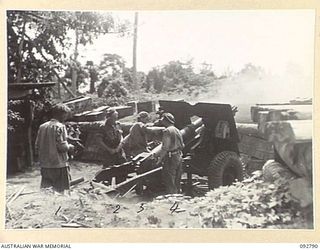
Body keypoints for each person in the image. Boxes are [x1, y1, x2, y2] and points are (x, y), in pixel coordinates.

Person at [35, 103, 74, 193]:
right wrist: (70, 147)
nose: (66, 117)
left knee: (47, 191)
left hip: (45, 164)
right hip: (58, 164)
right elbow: (62, 147)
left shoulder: (42, 126)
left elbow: (37, 145)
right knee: (60, 192)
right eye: (65, 114)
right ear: (61, 114)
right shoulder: (60, 126)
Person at [154, 113, 185, 194]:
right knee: (177, 179)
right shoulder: (177, 130)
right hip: (178, 155)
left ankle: (172, 197)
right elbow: (182, 145)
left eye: (162, 119)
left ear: (165, 121)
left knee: (169, 179)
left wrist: (159, 159)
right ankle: (178, 195)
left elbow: (165, 147)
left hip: (171, 157)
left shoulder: (167, 131)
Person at [95, 108, 126, 182]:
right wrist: (109, 150)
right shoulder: (103, 127)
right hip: (108, 153)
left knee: (123, 170)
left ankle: (121, 188)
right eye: (113, 117)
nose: (115, 119)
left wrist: (119, 147)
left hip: (119, 152)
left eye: (116, 117)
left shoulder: (118, 124)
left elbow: (121, 136)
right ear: (108, 117)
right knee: (107, 173)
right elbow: (99, 141)